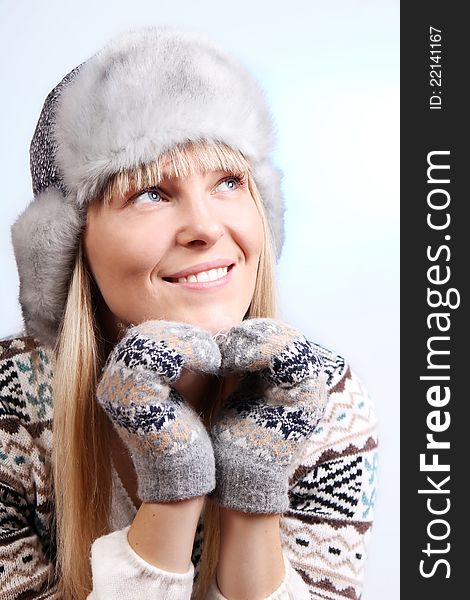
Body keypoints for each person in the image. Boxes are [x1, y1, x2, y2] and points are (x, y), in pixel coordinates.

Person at [0, 27, 378, 600]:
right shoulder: (12, 406)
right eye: (149, 192)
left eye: (229, 181)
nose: (205, 227)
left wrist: (253, 491)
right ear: (72, 248)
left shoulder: (319, 398)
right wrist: (173, 488)